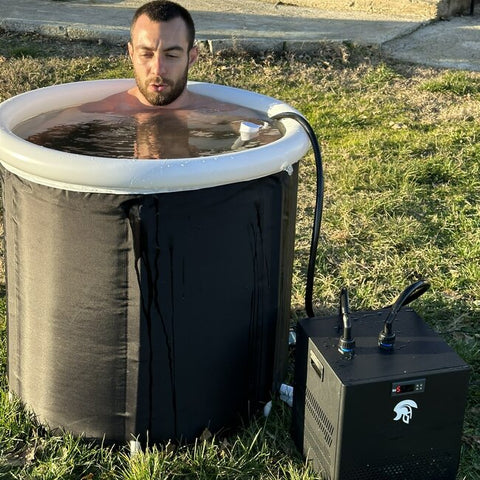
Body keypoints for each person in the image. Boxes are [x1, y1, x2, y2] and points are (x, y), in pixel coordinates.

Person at [22, 1, 280, 158]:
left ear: (191, 57)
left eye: (171, 54)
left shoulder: (216, 112)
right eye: (146, 54)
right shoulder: (106, 110)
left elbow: (271, 138)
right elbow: (30, 140)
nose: (158, 68)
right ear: (131, 53)